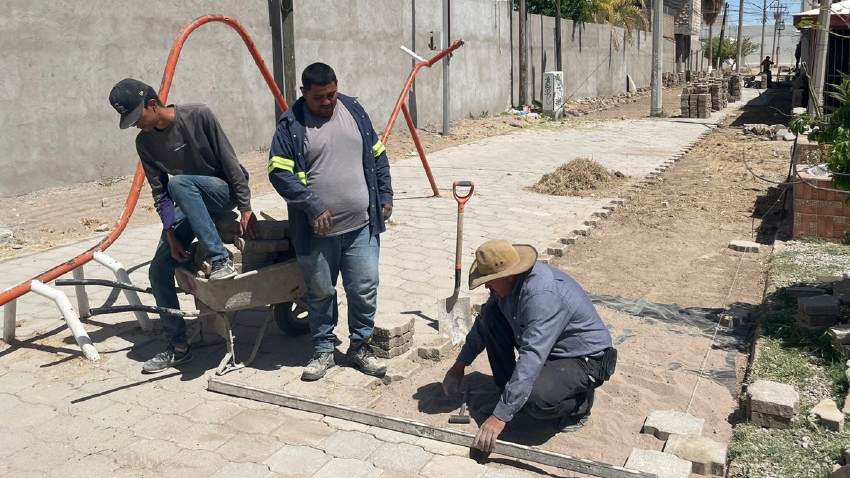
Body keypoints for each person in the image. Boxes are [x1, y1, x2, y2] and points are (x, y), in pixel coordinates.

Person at [109, 78, 259, 373]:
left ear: (153, 104)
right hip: (186, 200)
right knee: (159, 269)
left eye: (137, 117)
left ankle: (220, 261)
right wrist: (171, 233)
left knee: (182, 183)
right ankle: (177, 346)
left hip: (222, 191)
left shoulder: (198, 115)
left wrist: (245, 208)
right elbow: (160, 191)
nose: (136, 125)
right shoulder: (145, 143)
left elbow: (230, 161)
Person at [267, 63, 393, 381]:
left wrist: (386, 194)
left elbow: (378, 154)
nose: (327, 102)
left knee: (364, 289)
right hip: (315, 233)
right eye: (319, 97)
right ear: (303, 93)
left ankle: (360, 347)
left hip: (362, 225)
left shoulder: (353, 110)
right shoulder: (291, 125)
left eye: (332, 94)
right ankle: (323, 349)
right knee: (321, 292)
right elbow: (278, 172)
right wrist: (312, 205)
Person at [442, 239, 614, 453]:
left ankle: (580, 404)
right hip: (550, 350)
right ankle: (507, 395)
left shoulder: (542, 296)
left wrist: (499, 417)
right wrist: (460, 364)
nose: (487, 285)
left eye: (490, 280)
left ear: (509, 275)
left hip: (584, 359)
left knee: (536, 400)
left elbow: (532, 355)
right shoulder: (506, 286)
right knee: (492, 317)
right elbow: (483, 323)